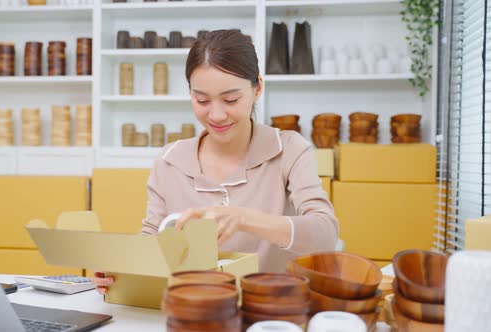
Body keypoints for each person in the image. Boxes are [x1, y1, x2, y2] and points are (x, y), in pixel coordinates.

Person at [92, 29, 339, 294]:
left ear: (257, 88)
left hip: (267, 311)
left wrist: (243, 218)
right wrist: (122, 271)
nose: (217, 114)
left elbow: (324, 234)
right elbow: (153, 240)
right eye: (202, 100)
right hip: (193, 311)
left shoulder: (289, 150)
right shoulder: (170, 161)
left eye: (231, 99)